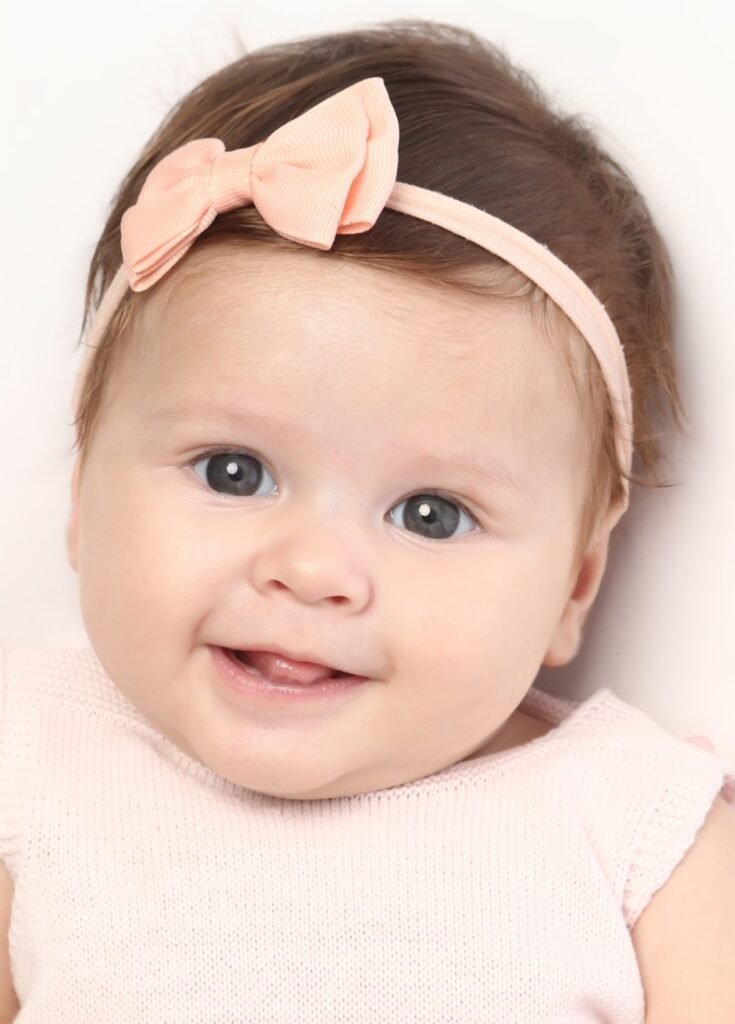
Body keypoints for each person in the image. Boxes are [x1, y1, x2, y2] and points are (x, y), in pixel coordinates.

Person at [1, 18, 733, 1022]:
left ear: (575, 580)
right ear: (85, 491)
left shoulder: (638, 830)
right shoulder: (32, 754)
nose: (311, 570)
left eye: (431, 514)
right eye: (233, 471)